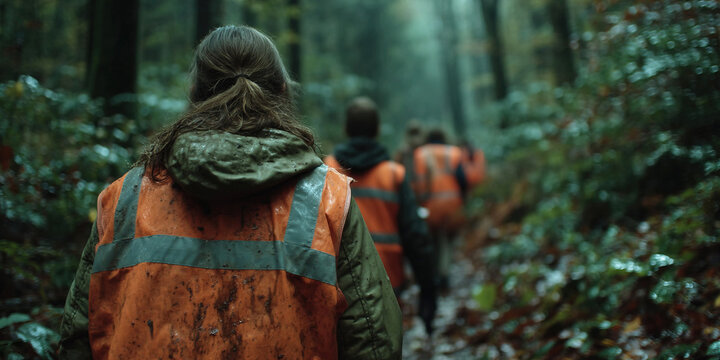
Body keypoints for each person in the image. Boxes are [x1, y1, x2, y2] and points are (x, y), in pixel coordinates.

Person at [57, 25, 402, 359]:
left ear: (194, 92)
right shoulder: (326, 197)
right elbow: (373, 340)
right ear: (282, 89)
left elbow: (77, 337)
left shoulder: (125, 197)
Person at [324, 97, 437, 334]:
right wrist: (428, 291)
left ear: (346, 129)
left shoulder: (327, 170)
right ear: (377, 130)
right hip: (387, 280)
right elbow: (415, 235)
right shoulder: (394, 174)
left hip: (337, 282)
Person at [411, 128, 467, 291]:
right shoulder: (455, 153)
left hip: (429, 206)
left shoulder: (419, 154)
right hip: (452, 205)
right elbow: (463, 180)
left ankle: (435, 273)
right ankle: (445, 273)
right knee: (448, 242)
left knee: (433, 241)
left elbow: (414, 182)